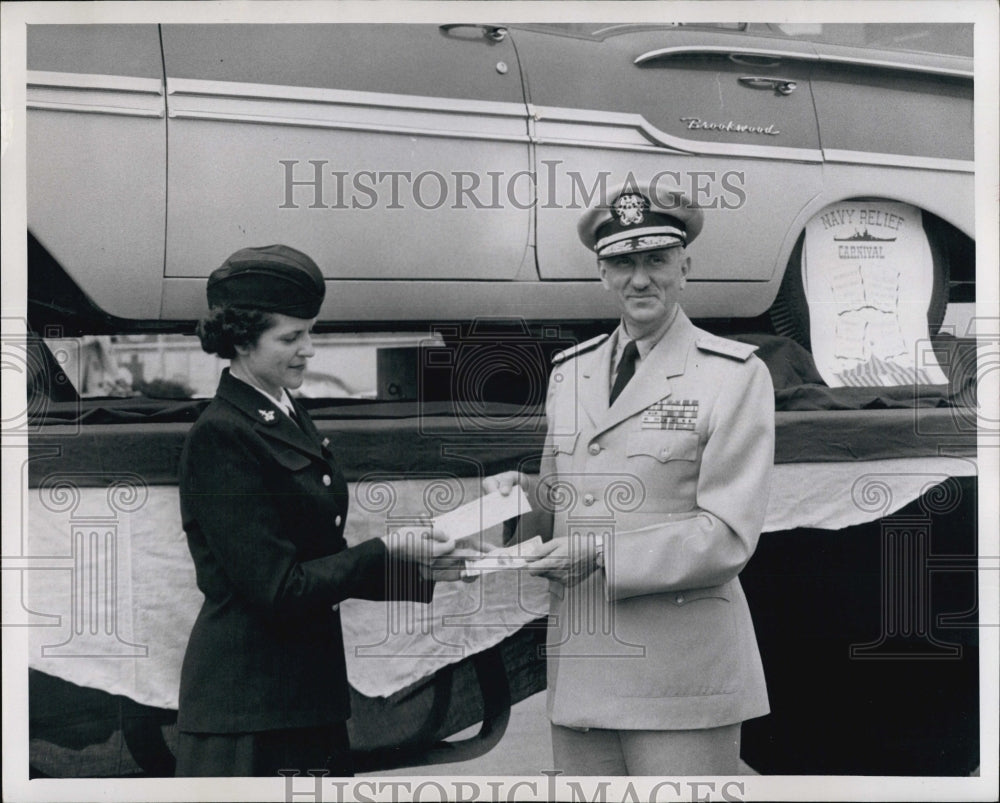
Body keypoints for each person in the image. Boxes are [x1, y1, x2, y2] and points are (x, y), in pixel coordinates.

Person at [485, 181, 775, 775]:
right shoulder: (570, 372)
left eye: (656, 260)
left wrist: (597, 552)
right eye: (622, 262)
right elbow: (562, 500)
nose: (640, 279)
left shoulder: (733, 375)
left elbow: (727, 535)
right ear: (602, 273)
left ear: (685, 267)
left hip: (679, 678)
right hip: (584, 667)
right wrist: (515, 501)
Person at [175, 244, 455, 777]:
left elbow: (319, 556)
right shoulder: (222, 434)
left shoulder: (284, 410)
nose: (309, 350)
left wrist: (423, 566)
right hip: (249, 713)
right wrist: (389, 547)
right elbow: (279, 589)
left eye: (311, 331)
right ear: (240, 339)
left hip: (301, 699)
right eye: (291, 337)